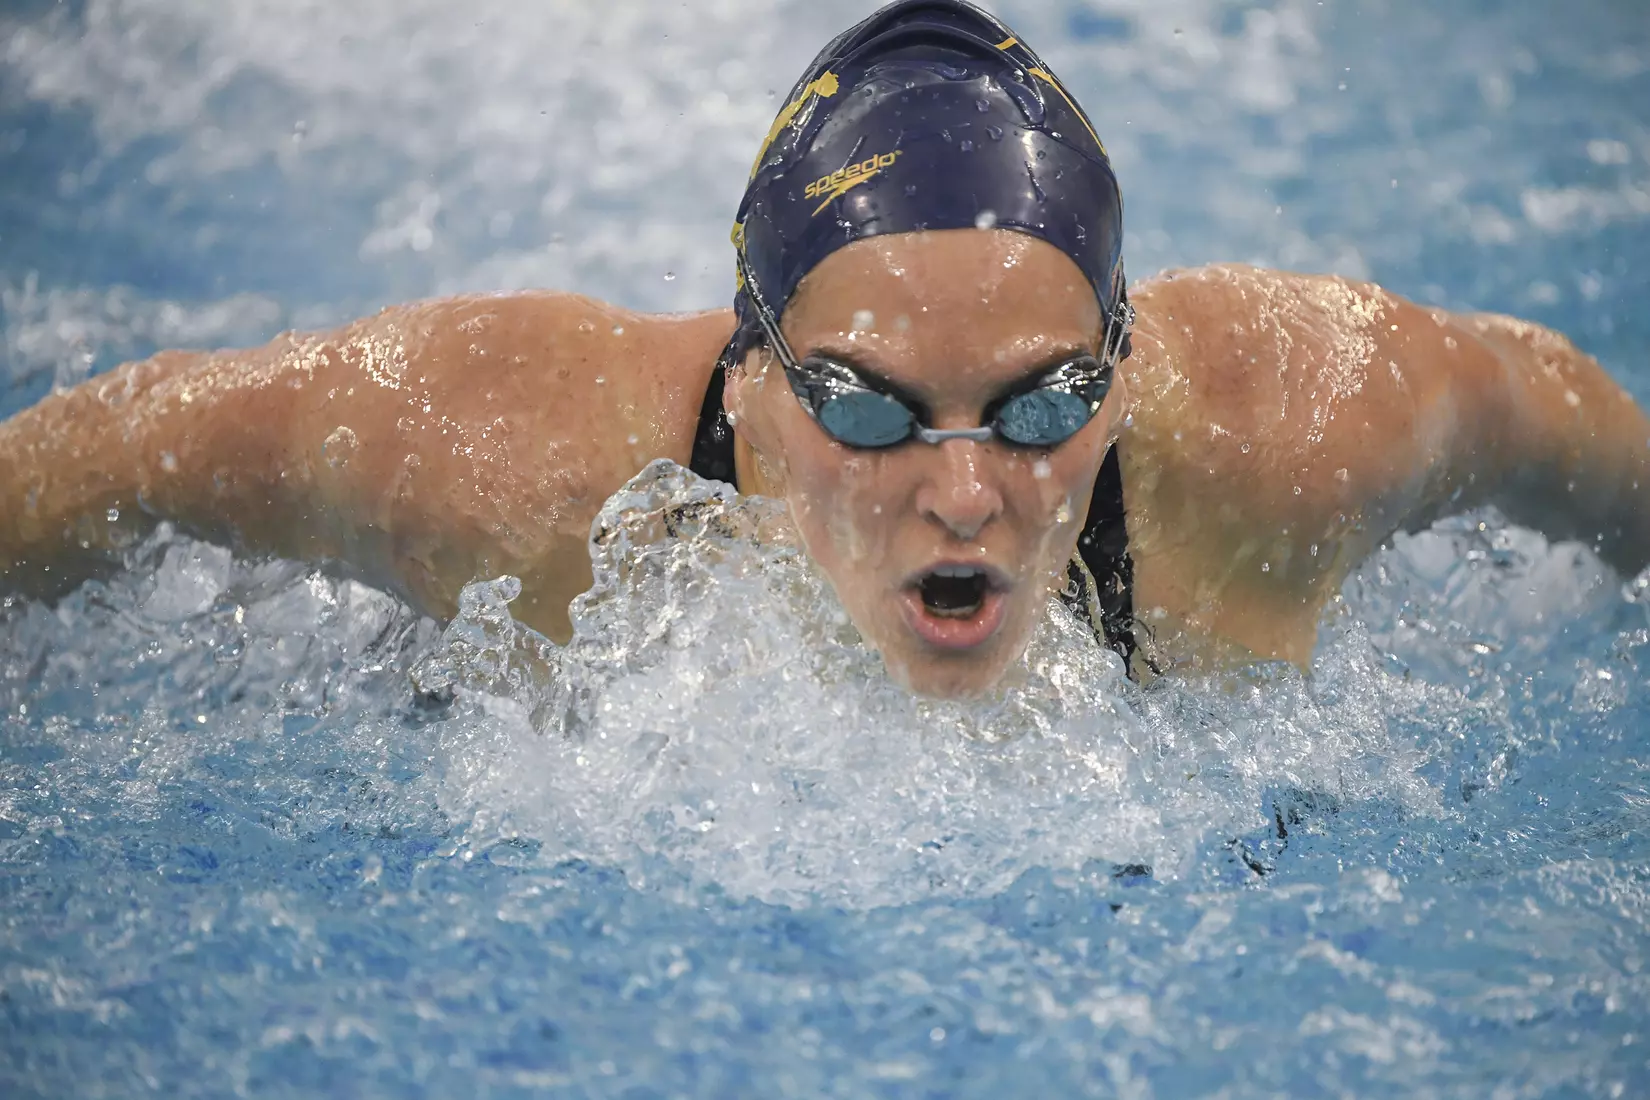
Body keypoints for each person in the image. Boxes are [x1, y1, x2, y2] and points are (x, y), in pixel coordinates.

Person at [0, 0, 1645, 697]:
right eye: (865, 406)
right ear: (755, 382)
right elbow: (99, 454)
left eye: (1042, 404)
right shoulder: (512, 470)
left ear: (1123, 369)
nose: (964, 493)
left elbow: (1560, 417)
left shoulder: (1304, 426)